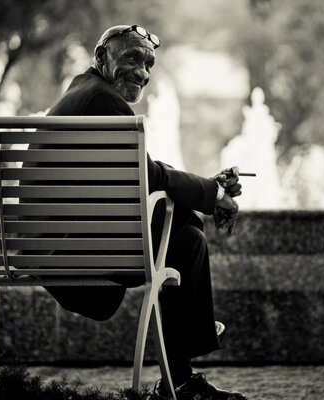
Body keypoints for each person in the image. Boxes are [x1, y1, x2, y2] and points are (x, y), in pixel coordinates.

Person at [40, 25, 247, 400]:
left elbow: (140, 175)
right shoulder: (101, 103)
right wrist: (211, 193)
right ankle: (185, 366)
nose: (143, 72)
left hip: (57, 253)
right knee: (186, 240)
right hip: (69, 261)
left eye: (149, 64)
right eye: (132, 58)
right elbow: (148, 177)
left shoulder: (84, 95)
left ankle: (183, 369)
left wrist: (208, 189)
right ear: (101, 58)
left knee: (183, 233)